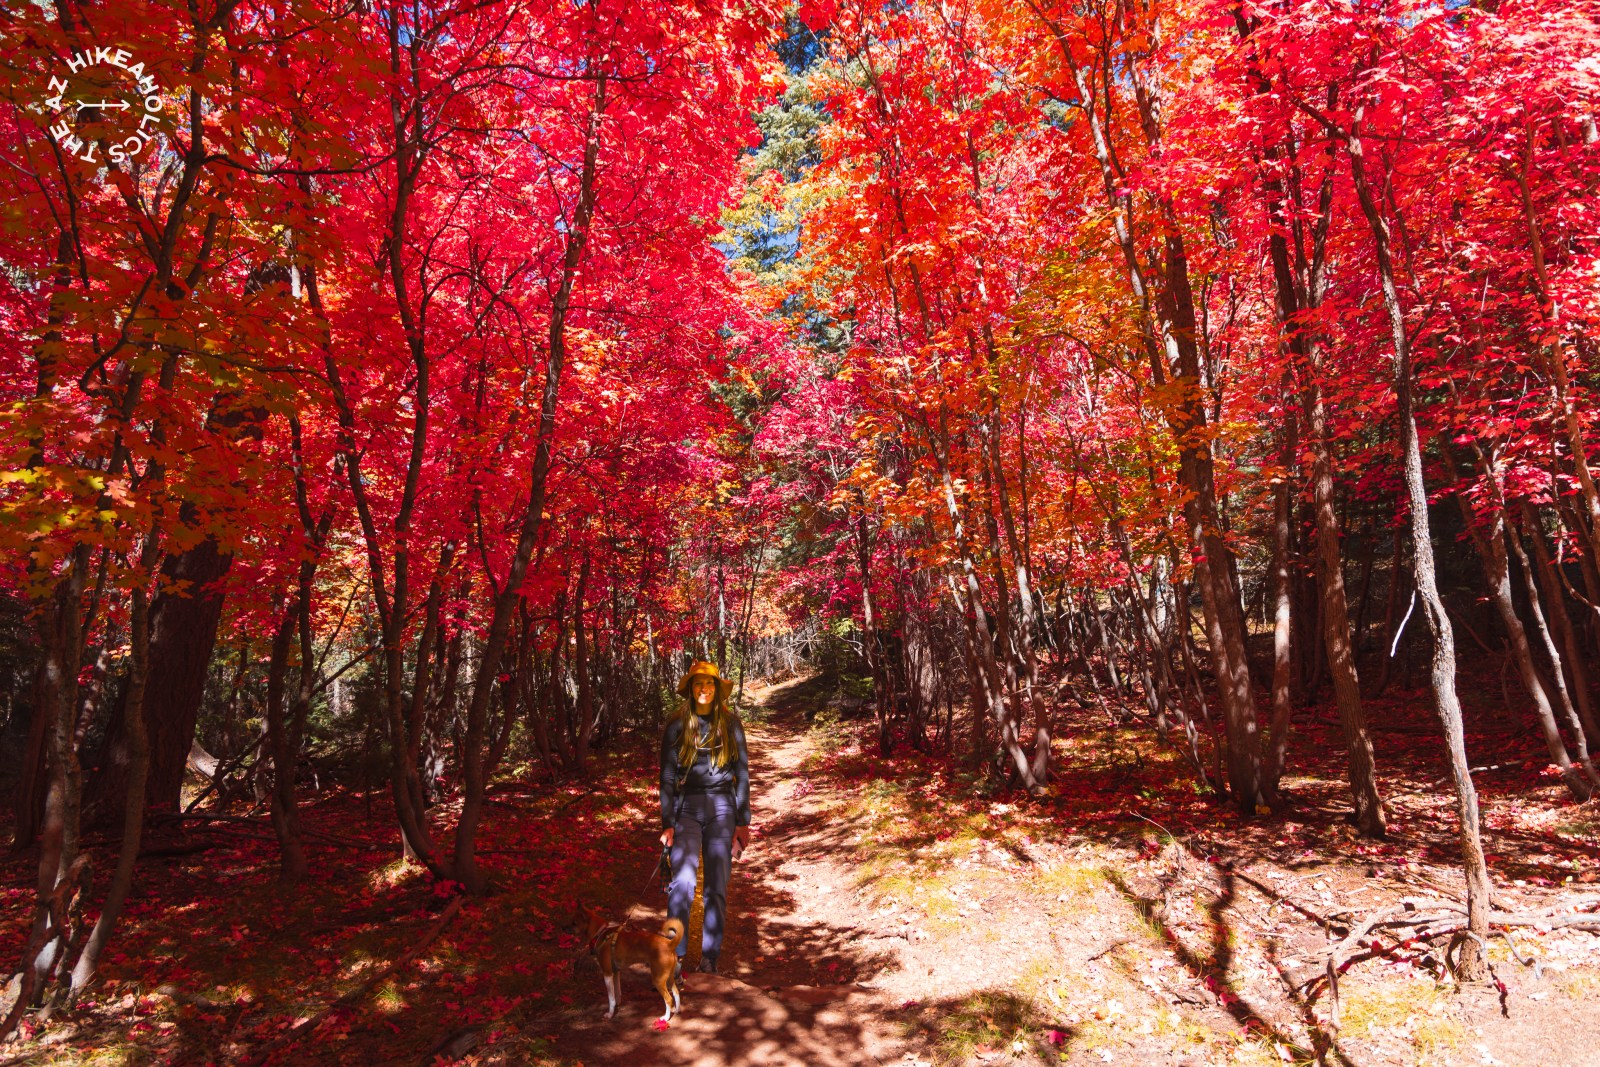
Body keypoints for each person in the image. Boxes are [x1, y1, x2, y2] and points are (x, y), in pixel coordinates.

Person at [659, 660, 751, 974]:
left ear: (717, 689)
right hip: (686, 807)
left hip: (723, 807)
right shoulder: (676, 725)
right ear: (690, 688)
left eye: (709, 684)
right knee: (681, 883)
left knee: (717, 884)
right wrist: (667, 823)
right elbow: (667, 776)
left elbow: (742, 772)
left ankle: (710, 958)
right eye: (698, 684)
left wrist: (743, 821)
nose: (704, 690)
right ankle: (675, 955)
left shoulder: (731, 724)